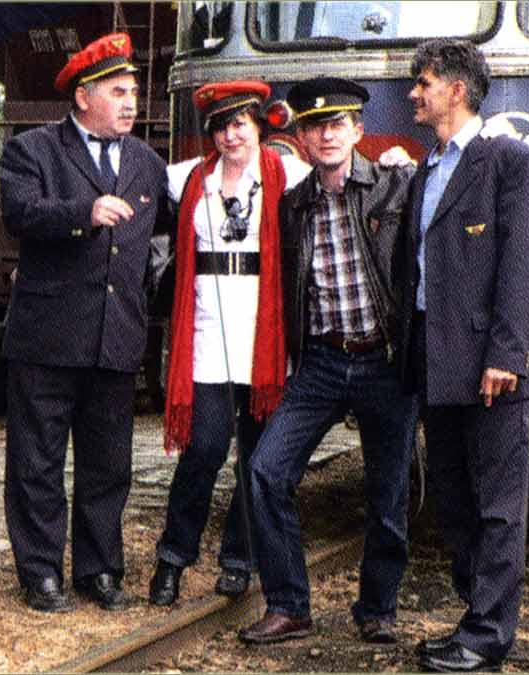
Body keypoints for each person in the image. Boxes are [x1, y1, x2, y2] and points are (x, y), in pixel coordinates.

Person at [0, 32, 174, 613]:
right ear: (83, 96)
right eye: (118, 92)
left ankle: (99, 571)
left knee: (108, 467)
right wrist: (83, 212)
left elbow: (175, 226)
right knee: (37, 462)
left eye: (133, 93)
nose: (131, 103)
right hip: (46, 340)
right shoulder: (33, 151)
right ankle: (41, 573)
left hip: (115, 339)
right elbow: (20, 213)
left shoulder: (147, 163)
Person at [238, 77, 417, 645]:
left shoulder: (395, 186)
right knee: (265, 472)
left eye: (337, 124)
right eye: (315, 127)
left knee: (388, 494)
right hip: (320, 361)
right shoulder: (293, 205)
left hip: (383, 361)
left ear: (358, 131)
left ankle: (378, 609)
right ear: (302, 138)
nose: (327, 136)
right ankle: (289, 606)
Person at [400, 39, 529, 671]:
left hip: (492, 366)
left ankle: (489, 636)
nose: (413, 93)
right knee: (454, 498)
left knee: (497, 506)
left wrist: (508, 354)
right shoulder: (427, 167)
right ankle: (475, 615)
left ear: (456, 90)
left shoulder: (512, 162)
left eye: (424, 83)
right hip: (437, 359)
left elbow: (525, 265)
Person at [148, 80, 310, 606]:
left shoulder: (288, 174)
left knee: (256, 457)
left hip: (265, 337)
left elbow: (344, 174)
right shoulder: (189, 178)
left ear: (259, 125)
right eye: (220, 127)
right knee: (204, 449)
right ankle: (173, 557)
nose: (230, 135)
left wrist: (397, 161)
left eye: (239, 123)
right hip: (207, 332)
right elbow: (138, 179)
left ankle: (240, 558)